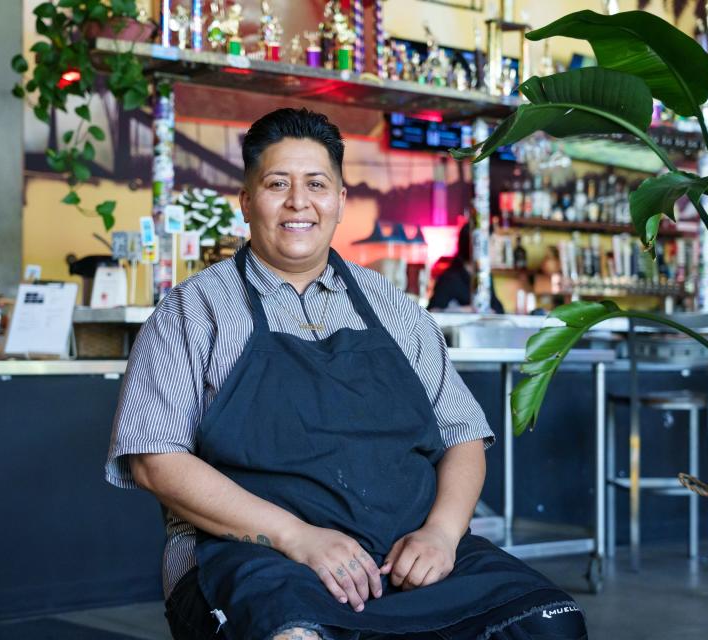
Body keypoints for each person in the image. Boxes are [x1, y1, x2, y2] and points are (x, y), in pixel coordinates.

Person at [107, 108, 586, 640]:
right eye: (276, 184)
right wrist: (297, 537)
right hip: (252, 553)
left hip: (406, 549)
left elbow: (464, 436)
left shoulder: (394, 308)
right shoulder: (192, 311)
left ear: (338, 201)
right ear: (246, 201)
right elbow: (155, 460)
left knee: (551, 626)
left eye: (316, 184)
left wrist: (442, 534)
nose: (298, 202)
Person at [427, 223, 505, 314]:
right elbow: (432, 313)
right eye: (492, 243)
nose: (496, 249)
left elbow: (498, 310)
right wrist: (464, 310)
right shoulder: (449, 278)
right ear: (474, 246)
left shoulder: (484, 275)